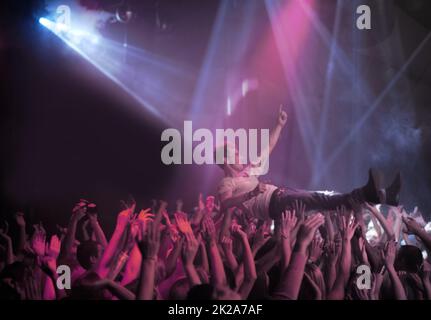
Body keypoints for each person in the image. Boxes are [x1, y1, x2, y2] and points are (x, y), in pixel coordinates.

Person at [216, 106, 402, 222]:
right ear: (225, 160)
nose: (240, 155)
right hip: (274, 204)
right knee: (321, 200)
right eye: (236, 153)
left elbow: (268, 148)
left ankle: (381, 195)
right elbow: (225, 204)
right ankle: (370, 195)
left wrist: (279, 125)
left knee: (324, 198)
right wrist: (251, 193)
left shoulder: (249, 171)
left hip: (281, 195)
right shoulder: (227, 183)